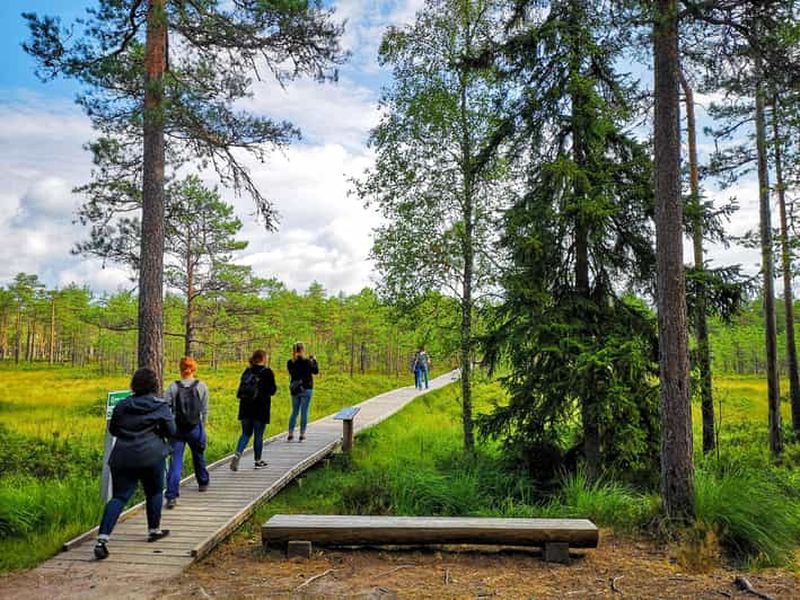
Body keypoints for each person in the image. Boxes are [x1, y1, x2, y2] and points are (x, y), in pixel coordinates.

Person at [94, 367, 174, 560]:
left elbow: (114, 429)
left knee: (120, 497)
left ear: (134, 384)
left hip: (123, 456)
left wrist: (129, 438)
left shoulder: (122, 405)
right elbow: (171, 430)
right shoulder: (160, 406)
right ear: (154, 385)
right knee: (154, 491)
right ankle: (153, 530)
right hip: (152, 456)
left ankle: (102, 540)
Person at [164, 357, 210, 509]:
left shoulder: (173, 387)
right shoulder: (201, 386)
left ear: (180, 368)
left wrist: (169, 427)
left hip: (177, 429)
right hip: (195, 427)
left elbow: (166, 409)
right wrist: (202, 428)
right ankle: (203, 482)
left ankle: (171, 496)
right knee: (198, 454)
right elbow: (204, 410)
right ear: (194, 369)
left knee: (176, 461)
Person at [230, 349, 277, 471]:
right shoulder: (267, 372)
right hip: (260, 408)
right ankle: (258, 461)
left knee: (245, 434)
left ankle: (237, 454)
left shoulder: (247, 371)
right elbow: (272, 390)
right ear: (263, 359)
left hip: (245, 408)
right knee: (258, 435)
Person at [287, 342, 319, 442]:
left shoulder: (290, 362)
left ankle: (290, 433)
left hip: (295, 389)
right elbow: (315, 371)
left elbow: (293, 373)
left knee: (294, 412)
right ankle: (302, 434)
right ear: (303, 350)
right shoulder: (307, 362)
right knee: (304, 412)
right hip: (306, 388)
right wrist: (314, 361)